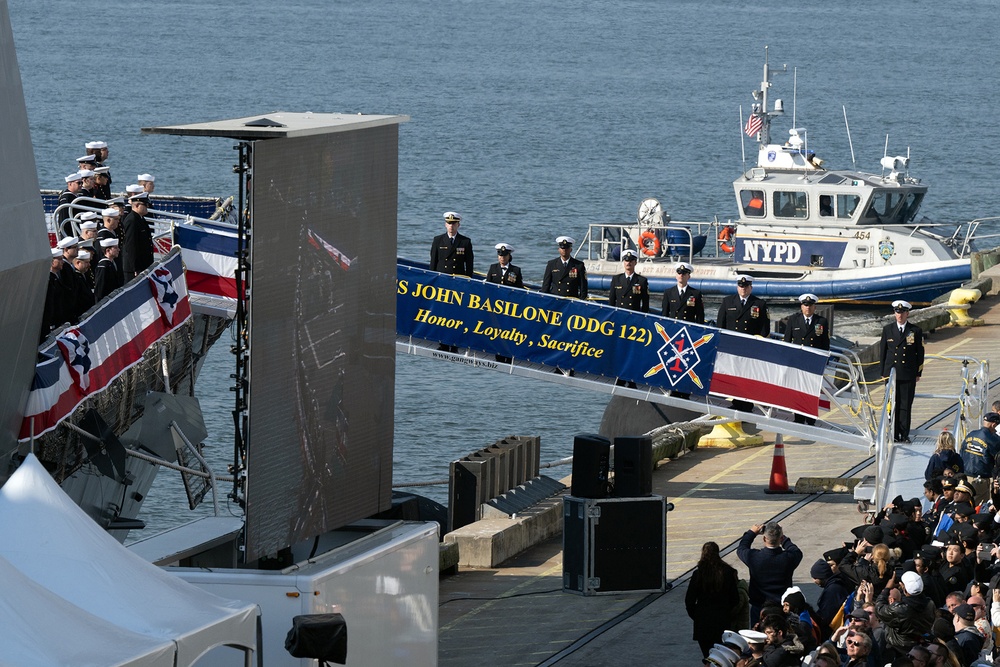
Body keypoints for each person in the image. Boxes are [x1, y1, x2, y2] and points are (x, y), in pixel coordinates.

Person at [718, 275, 769, 412]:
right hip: (732, 346)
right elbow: (720, 325)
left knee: (747, 377)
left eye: (746, 286)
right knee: (734, 376)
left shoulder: (759, 304)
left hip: (749, 348)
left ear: (751, 288)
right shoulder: (728, 302)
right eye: (741, 286)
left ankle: (747, 404)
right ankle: (736, 401)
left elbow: (765, 329)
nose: (743, 289)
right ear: (737, 287)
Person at [737, 521, 803, 624]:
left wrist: (751, 533)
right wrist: (782, 537)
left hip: (759, 607)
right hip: (781, 608)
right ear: (780, 539)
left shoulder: (754, 557)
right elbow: (795, 550)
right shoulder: (789, 558)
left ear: (764, 538)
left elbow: (742, 548)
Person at [880, 300, 924, 443]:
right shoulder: (888, 329)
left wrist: (918, 373)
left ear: (907, 313)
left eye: (902, 313)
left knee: (905, 405)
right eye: (897, 312)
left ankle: (904, 434)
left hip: (907, 373)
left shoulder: (915, 331)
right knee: (892, 405)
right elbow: (883, 352)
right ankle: (892, 433)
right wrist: (883, 373)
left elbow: (920, 353)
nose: (899, 315)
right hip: (891, 374)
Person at [686, 541, 740, 657]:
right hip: (722, 620)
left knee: (708, 656)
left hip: (703, 622)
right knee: (723, 656)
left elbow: (689, 601)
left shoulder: (698, 574)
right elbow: (735, 599)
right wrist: (727, 612)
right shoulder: (728, 572)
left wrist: (696, 616)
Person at [782, 293, 830, 424]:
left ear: (815, 307)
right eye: (805, 305)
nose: (807, 308)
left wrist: (824, 361)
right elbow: (787, 340)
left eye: (810, 305)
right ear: (801, 306)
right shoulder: (793, 320)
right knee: (798, 390)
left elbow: (825, 343)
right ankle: (798, 416)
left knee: (811, 391)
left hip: (813, 362)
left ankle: (810, 418)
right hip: (798, 361)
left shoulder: (821, 322)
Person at [875, 570, 937, 661]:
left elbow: (879, 609)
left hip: (899, 648)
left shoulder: (901, 609)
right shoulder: (930, 603)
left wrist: (887, 589)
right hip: (920, 645)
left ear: (904, 588)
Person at [484, 242, 523, 363]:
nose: (502, 258)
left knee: (509, 331)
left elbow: (519, 290)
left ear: (509, 256)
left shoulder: (515, 270)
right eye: (500, 255)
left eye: (504, 255)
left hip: (509, 307)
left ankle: (509, 354)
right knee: (495, 330)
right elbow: (488, 287)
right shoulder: (493, 268)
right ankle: (498, 353)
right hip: (495, 306)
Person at [959, 412, 1000, 500]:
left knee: (965, 502)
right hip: (982, 479)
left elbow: (961, 452)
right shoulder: (994, 440)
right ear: (993, 425)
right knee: (980, 506)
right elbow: (998, 460)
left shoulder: (971, 434)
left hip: (965, 476)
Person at [430, 211, 474, 277]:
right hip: (441, 276)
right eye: (449, 223)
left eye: (454, 223)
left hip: (458, 278)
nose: (451, 226)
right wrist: (432, 277)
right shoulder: (438, 240)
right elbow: (433, 261)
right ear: (445, 224)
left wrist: (468, 279)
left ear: (458, 225)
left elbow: (469, 264)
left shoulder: (465, 241)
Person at [122, 192, 155, 278]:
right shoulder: (132, 221)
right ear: (136, 205)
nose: (147, 206)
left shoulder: (140, 219)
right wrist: (136, 268)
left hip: (144, 265)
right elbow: (131, 245)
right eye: (145, 204)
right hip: (134, 270)